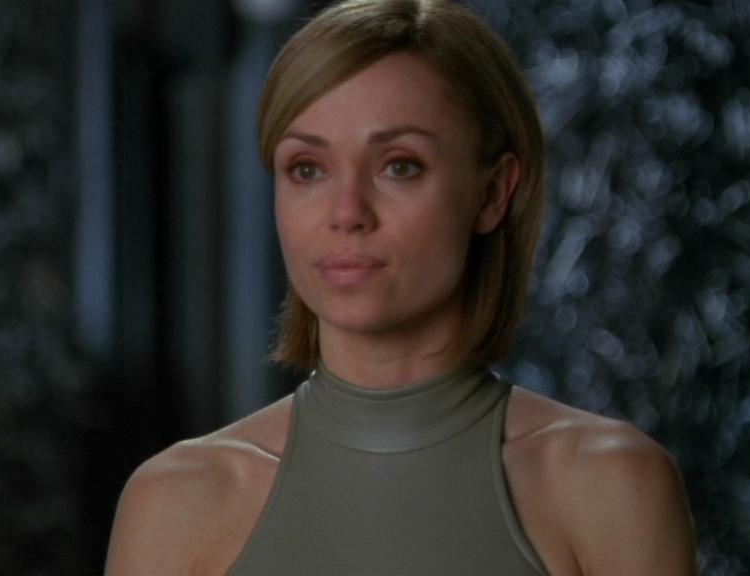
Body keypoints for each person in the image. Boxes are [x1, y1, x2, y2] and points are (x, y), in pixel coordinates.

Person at [105, 0, 698, 574]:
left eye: (399, 165)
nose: (347, 212)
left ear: (493, 193)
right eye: (307, 169)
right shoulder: (178, 500)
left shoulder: (609, 486)